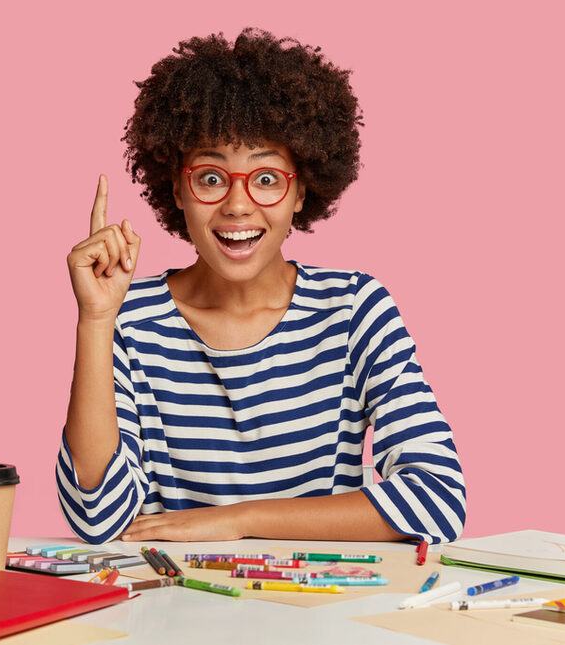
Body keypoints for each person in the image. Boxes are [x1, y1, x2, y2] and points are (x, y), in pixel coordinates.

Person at [57, 28, 465, 545]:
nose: (237, 205)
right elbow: (98, 518)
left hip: (318, 610)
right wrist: (96, 320)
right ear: (177, 189)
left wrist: (240, 520)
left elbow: (437, 500)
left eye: (267, 178)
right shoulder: (129, 322)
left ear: (302, 191)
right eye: (210, 177)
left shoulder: (354, 311)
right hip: (172, 616)